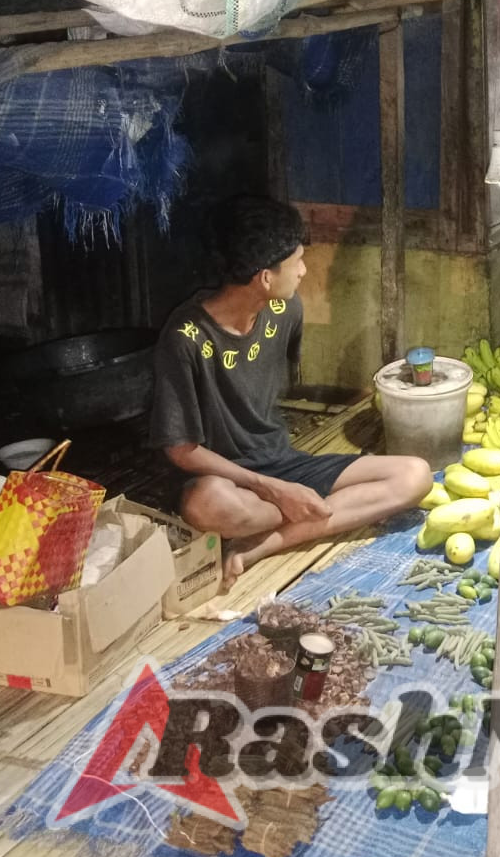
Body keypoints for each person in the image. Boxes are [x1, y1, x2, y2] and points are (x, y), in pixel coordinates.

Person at [151, 197, 431, 585]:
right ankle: (306, 514)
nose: (303, 271)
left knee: (415, 475)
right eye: (297, 261)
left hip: (283, 464)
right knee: (207, 504)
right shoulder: (185, 337)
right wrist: (274, 489)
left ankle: (262, 544)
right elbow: (181, 449)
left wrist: (284, 485)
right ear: (265, 278)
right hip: (225, 480)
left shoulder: (286, 311)